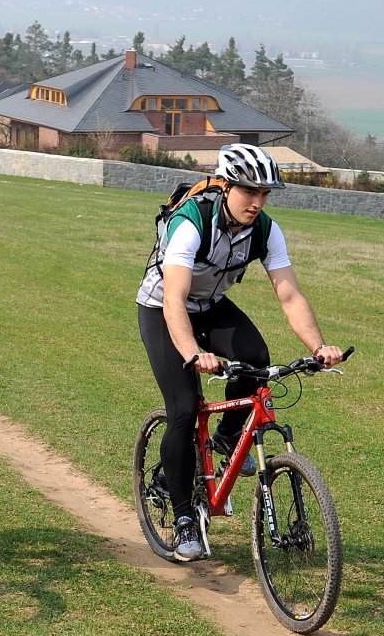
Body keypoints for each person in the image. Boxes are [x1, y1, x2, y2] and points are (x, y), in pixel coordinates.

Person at [136, 143, 342, 562]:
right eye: (250, 191)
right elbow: (174, 298)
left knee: (257, 362)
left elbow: (289, 294)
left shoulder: (265, 229)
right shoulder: (193, 222)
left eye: (265, 194)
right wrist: (194, 353)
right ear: (227, 186)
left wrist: (319, 347)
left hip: (211, 306)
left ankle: (227, 440)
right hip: (163, 310)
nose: (257, 202)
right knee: (184, 407)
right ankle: (183, 522)